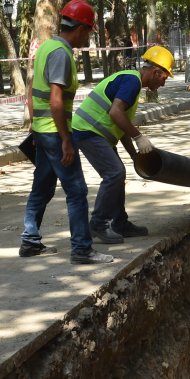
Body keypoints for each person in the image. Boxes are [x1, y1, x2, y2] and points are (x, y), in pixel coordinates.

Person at [21, 0, 112, 265]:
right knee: (76, 190)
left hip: (42, 130)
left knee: (42, 187)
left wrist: (34, 124)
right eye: (89, 33)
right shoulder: (61, 53)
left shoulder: (46, 47)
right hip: (54, 132)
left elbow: (32, 89)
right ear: (82, 28)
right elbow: (56, 100)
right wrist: (66, 141)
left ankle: (30, 242)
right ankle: (82, 249)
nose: (87, 38)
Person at [72, 46, 172, 244]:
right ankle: (98, 223)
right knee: (114, 173)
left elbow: (121, 123)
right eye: (164, 78)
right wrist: (139, 137)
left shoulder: (132, 83)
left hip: (97, 133)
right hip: (89, 130)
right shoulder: (132, 81)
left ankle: (120, 223)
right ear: (155, 71)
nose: (163, 83)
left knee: (118, 173)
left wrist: (134, 155)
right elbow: (115, 113)